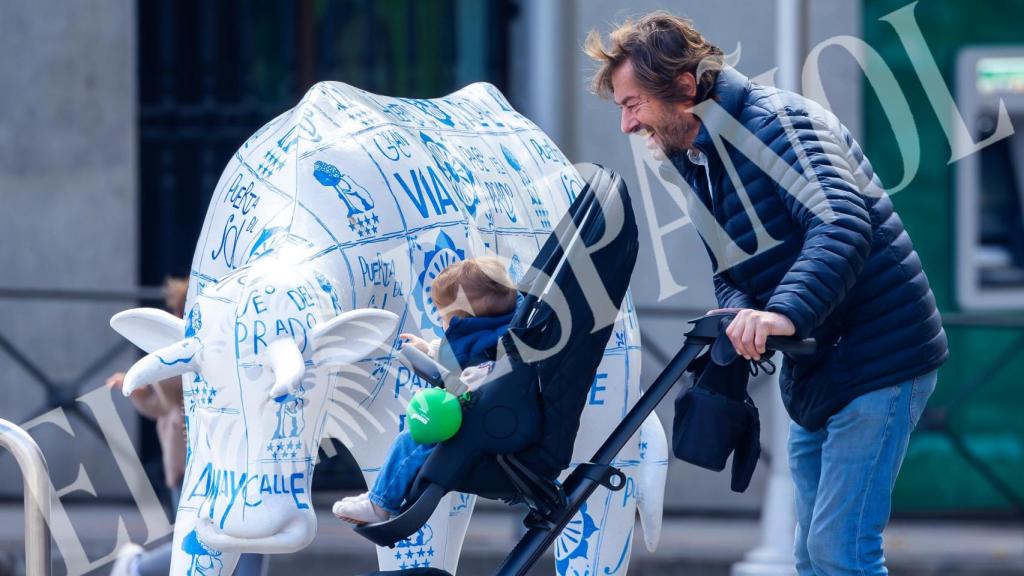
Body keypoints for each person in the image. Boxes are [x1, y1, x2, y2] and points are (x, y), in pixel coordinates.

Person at [585, 12, 947, 575]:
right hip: (819, 362)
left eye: (634, 105)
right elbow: (729, 268)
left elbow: (842, 224)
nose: (629, 126)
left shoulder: (776, 123)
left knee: (839, 550)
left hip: (880, 355)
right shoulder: (695, 158)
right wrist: (736, 313)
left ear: (684, 87)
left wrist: (780, 313)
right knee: (809, 553)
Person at [333, 256, 518, 525]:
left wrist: (456, 383)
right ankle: (378, 495)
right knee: (411, 440)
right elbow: (462, 357)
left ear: (461, 320)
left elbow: (482, 373)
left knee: (410, 441)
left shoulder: (493, 348)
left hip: (479, 425)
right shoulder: (500, 332)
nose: (442, 323)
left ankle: (380, 504)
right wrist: (429, 349)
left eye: (444, 317)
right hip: (483, 418)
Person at [108, 278, 267, 576]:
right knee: (199, 543)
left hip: (241, 457)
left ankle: (136, 567)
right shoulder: (178, 349)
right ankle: (136, 567)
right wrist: (139, 387)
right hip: (190, 463)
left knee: (250, 537)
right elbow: (162, 405)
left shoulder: (241, 340)